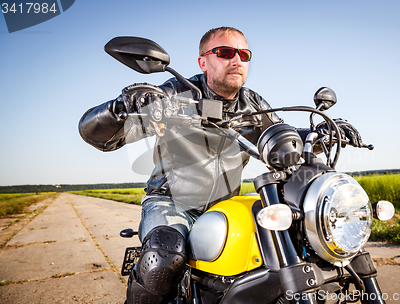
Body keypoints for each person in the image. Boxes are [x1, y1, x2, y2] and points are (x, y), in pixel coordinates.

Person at [79, 27, 283, 304]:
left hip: (225, 207)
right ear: (203, 62)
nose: (237, 60)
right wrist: (122, 106)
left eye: (244, 54)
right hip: (171, 202)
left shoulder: (254, 106)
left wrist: (314, 135)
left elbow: (282, 139)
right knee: (162, 257)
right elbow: (97, 136)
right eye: (225, 52)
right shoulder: (176, 93)